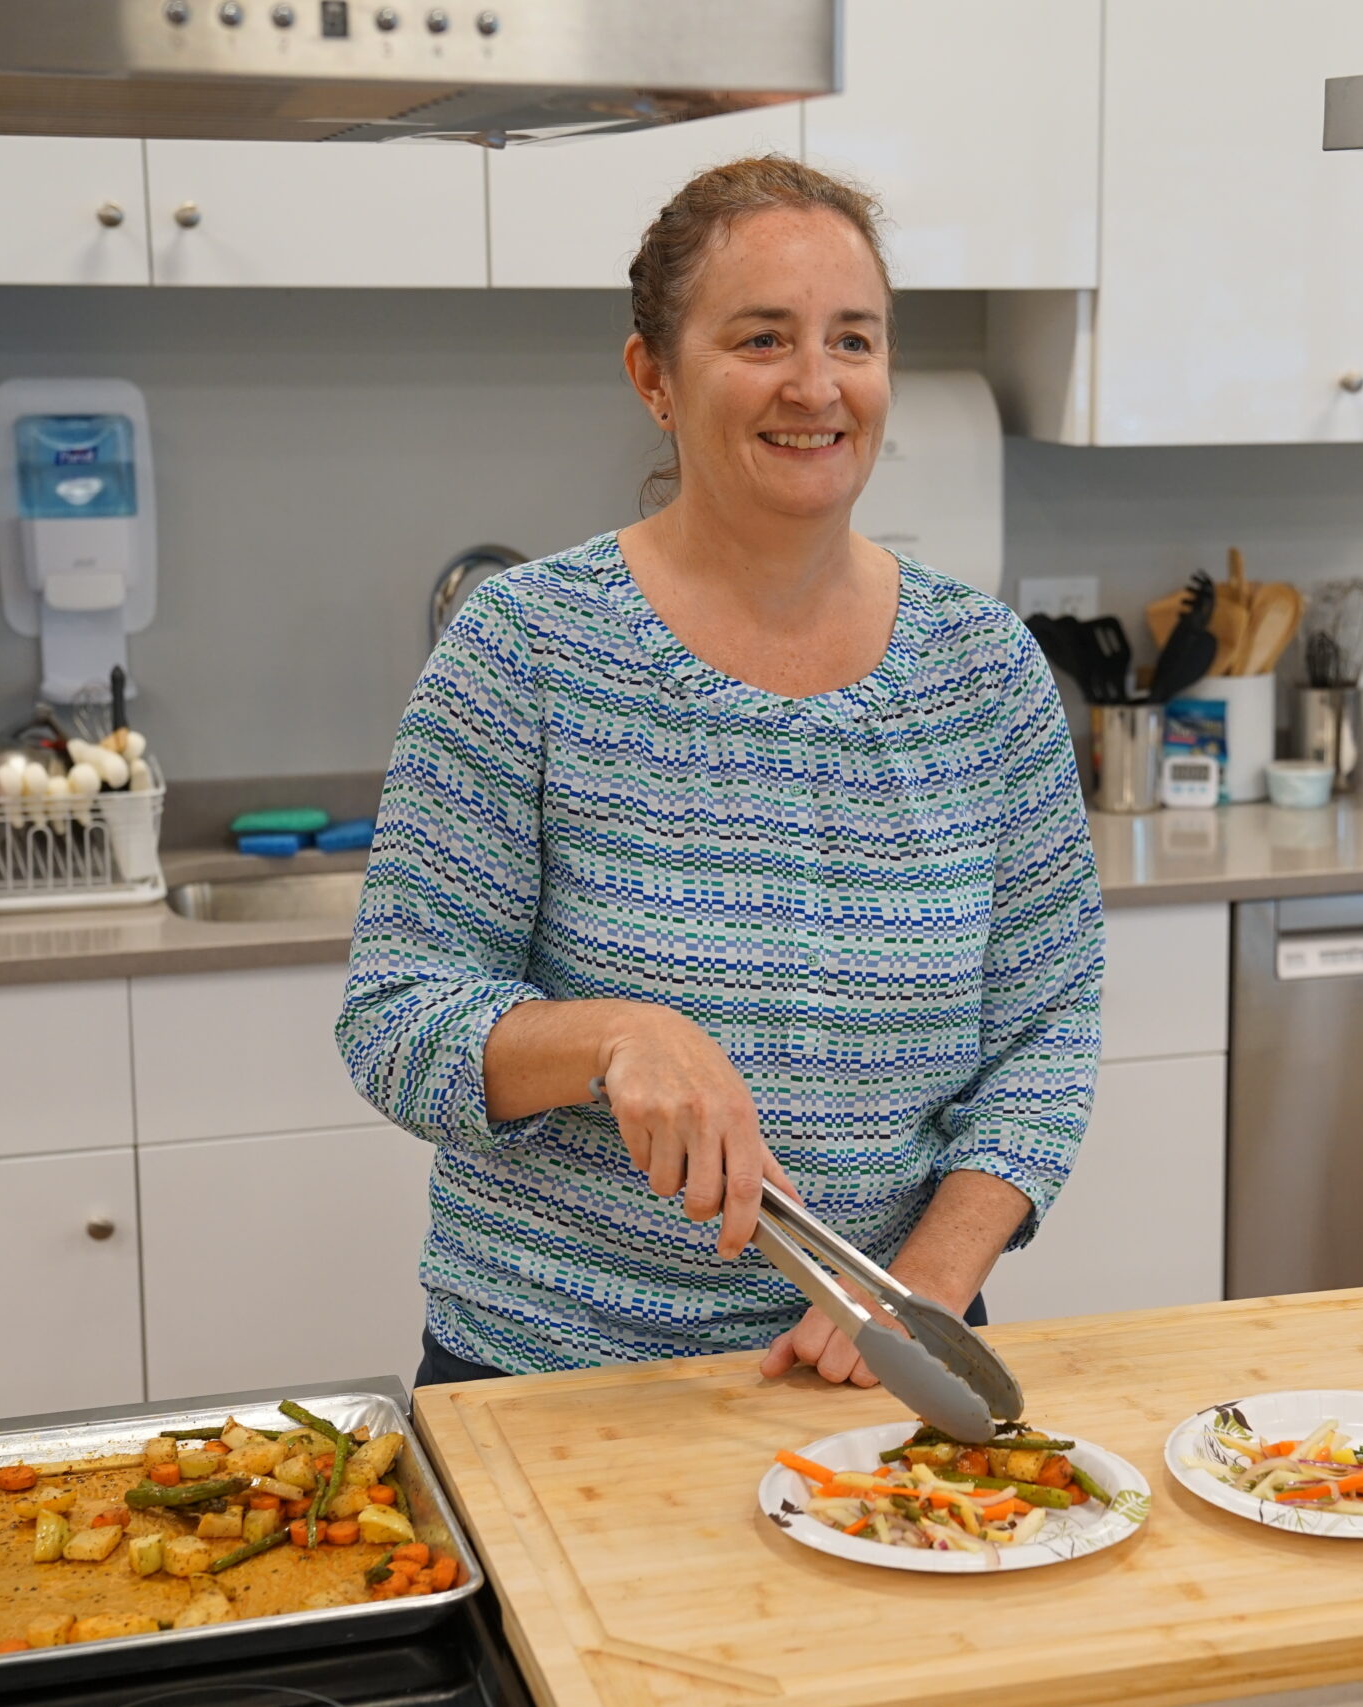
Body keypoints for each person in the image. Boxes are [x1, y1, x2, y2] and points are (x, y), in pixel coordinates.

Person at [338, 155, 1103, 1391]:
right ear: (654, 377)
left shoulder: (983, 670)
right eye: (761, 338)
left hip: (874, 1376)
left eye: (852, 339)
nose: (816, 386)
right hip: (555, 1386)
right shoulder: (528, 648)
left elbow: (1048, 1031)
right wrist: (615, 1036)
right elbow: (396, 1020)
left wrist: (928, 1289)